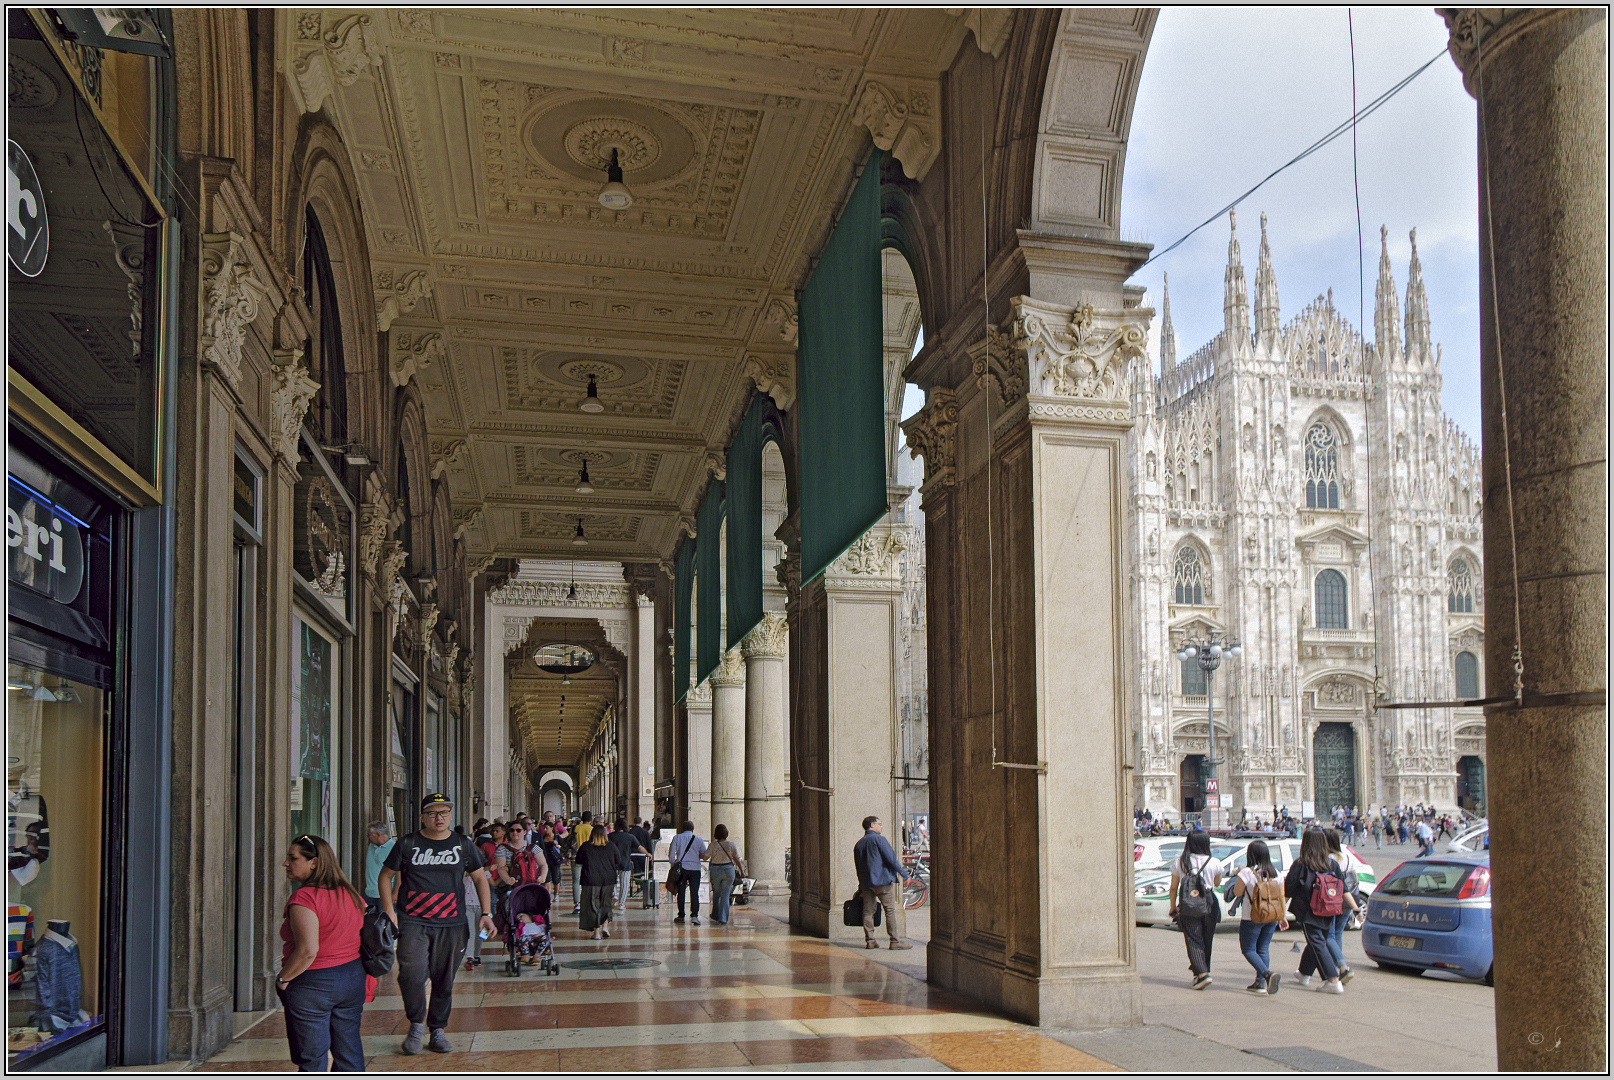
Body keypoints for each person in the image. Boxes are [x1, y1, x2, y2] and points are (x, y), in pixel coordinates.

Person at [379, 794, 497, 1055]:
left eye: (444, 812)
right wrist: (389, 911)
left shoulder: (462, 845)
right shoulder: (408, 843)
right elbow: (385, 875)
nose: (439, 817)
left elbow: (479, 879)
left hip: (452, 923)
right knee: (411, 974)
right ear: (422, 816)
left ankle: (438, 1029)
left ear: (450, 816)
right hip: (413, 921)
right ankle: (416, 1024)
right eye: (433, 813)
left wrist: (486, 913)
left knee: (444, 979)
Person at [276, 834, 367, 1072]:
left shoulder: (304, 898)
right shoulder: (349, 893)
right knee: (349, 1052)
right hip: (352, 977)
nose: (285, 863)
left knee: (312, 1057)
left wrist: (283, 979)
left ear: (314, 862)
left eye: (292, 858)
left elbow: (307, 951)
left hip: (313, 983)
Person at [1285, 828, 1345, 993]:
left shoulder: (1301, 864)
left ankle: (1332, 979)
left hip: (1309, 910)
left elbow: (1288, 888)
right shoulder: (1332, 864)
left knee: (1317, 942)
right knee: (1317, 941)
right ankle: (1304, 973)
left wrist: (1280, 911)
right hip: (1330, 908)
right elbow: (1342, 886)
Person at [1231, 838, 1287, 995]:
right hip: (1272, 916)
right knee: (1263, 948)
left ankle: (1267, 974)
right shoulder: (1277, 873)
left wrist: (1237, 875)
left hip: (1252, 916)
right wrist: (1282, 916)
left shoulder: (1247, 872)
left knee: (1248, 949)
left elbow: (1237, 892)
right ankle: (1260, 983)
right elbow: (1281, 896)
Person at [1168, 830, 1222, 989]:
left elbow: (1173, 887)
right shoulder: (1214, 862)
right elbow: (1217, 884)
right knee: (1207, 938)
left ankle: (1202, 974)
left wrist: (1173, 906)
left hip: (1188, 903)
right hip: (1209, 902)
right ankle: (1203, 971)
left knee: (1193, 938)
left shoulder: (1181, 862)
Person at [852, 816, 910, 950]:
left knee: (868, 912)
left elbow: (858, 867)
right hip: (882, 881)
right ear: (872, 825)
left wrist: (861, 886)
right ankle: (895, 941)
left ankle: (870, 940)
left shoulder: (859, 844)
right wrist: (904, 875)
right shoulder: (880, 840)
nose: (881, 826)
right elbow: (892, 859)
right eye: (880, 824)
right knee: (889, 910)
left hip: (866, 883)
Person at [1323, 829, 1361, 982]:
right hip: (1348, 899)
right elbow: (1355, 878)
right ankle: (1336, 968)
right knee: (1337, 935)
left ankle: (1342, 966)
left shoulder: (1328, 859)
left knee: (1329, 936)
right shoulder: (1346, 856)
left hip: (1333, 899)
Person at [576, 826, 626, 939]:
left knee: (592, 905)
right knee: (605, 903)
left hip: (590, 878)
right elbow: (618, 860)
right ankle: (605, 926)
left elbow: (578, 860)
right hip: (608, 878)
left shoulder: (586, 846)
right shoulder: (611, 846)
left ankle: (596, 932)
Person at [702, 824, 747, 925]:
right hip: (728, 870)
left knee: (717, 893)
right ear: (726, 833)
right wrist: (742, 871)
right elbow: (736, 858)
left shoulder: (713, 845)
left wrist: (699, 854)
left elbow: (705, 858)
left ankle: (715, 914)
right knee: (725, 895)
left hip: (716, 870)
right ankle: (722, 918)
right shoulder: (731, 844)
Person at [668, 821, 707, 924]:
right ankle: (694, 916)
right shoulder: (698, 839)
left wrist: (675, 864)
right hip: (695, 869)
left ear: (682, 828)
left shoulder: (677, 838)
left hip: (682, 869)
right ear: (693, 829)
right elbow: (704, 854)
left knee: (681, 892)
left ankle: (681, 915)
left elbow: (671, 855)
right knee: (694, 893)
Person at [608, 818, 646, 912]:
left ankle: (614, 895)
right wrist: (648, 853)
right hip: (625, 863)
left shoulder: (610, 836)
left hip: (613, 863)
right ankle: (621, 904)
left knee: (612, 881)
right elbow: (640, 848)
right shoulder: (630, 836)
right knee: (624, 884)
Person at [362, 822, 394, 910]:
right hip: (368, 894)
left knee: (385, 922)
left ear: (378, 835)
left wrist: (395, 894)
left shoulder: (393, 848)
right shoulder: (372, 846)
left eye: (369, 835)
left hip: (385, 895)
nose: (367, 838)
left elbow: (399, 873)